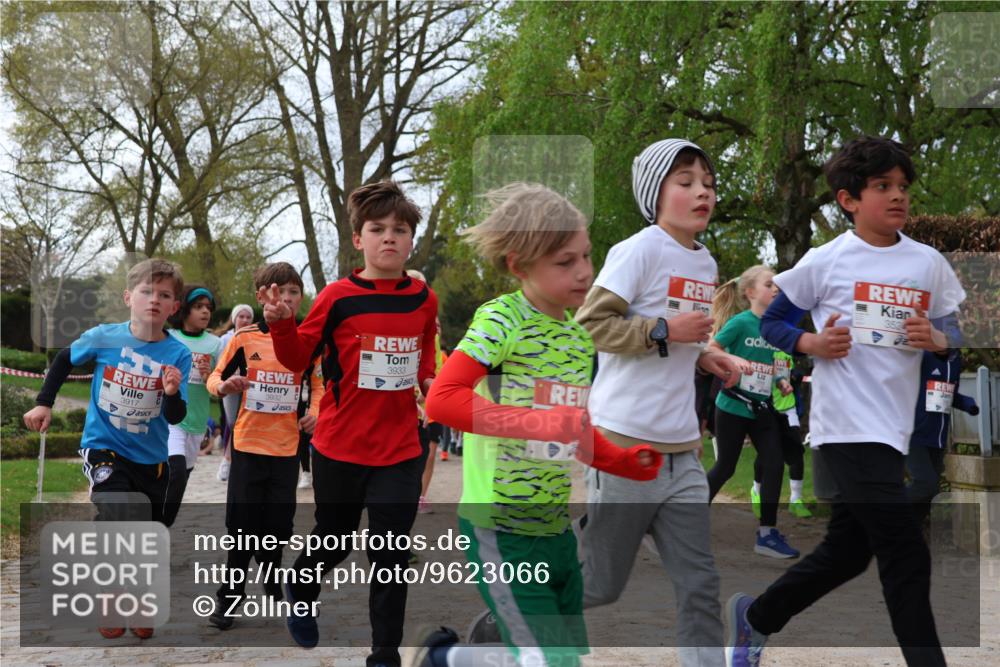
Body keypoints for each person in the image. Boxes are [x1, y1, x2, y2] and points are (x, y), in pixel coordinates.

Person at [728, 136, 965, 667]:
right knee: (905, 555)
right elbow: (774, 321)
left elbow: (954, 326)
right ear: (848, 199)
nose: (898, 196)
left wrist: (939, 337)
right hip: (844, 426)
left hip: (894, 427)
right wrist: (811, 343)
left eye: (903, 186)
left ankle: (757, 617)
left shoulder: (927, 263)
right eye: (883, 186)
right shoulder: (827, 260)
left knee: (848, 553)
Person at [408, 182, 662, 667]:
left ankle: (446, 659)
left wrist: (623, 460)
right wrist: (535, 422)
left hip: (554, 529)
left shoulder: (578, 337)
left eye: (586, 256)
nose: (585, 271)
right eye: (565, 262)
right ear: (519, 266)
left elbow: (574, 428)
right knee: (550, 662)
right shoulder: (503, 319)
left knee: (561, 656)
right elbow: (441, 401)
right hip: (499, 529)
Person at [564, 138, 744, 667]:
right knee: (600, 586)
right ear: (655, 194)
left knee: (700, 584)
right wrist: (665, 329)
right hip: (624, 447)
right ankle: (483, 637)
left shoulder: (705, 262)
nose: (701, 192)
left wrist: (703, 354)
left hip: (683, 453)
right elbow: (591, 326)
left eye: (708, 184)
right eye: (685, 182)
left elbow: (675, 342)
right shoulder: (638, 249)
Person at [263, 180, 438, 665]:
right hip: (340, 447)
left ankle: (384, 655)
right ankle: (301, 583)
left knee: (390, 558)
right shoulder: (337, 297)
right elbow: (298, 358)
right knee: (334, 540)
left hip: (401, 449)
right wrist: (281, 322)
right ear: (358, 239)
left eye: (399, 230)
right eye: (377, 229)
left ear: (410, 240)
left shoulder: (425, 299)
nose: (389, 238)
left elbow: (425, 358)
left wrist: (430, 384)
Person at [23, 258, 191, 640]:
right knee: (120, 510)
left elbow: (177, 415)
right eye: (147, 291)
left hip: (151, 458)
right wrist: (44, 401)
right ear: (129, 296)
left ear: (173, 307)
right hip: (104, 447)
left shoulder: (177, 354)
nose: (154, 300)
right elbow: (65, 358)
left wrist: (169, 393)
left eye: (164, 295)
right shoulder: (104, 337)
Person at [204, 263, 324, 630]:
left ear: (299, 298)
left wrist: (316, 413)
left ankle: (272, 580)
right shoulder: (244, 338)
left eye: (292, 292)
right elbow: (214, 377)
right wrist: (223, 388)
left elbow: (318, 385)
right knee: (241, 527)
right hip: (247, 445)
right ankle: (230, 597)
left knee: (278, 527)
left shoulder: (307, 340)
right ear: (261, 297)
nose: (284, 299)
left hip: (286, 450)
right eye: (276, 292)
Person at [705, 265, 799, 558]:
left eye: (777, 286)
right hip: (732, 405)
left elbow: (770, 363)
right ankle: (685, 520)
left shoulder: (774, 326)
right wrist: (732, 358)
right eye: (769, 285)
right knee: (726, 468)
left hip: (761, 407)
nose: (775, 290)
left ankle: (767, 534)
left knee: (773, 463)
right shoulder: (741, 322)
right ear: (750, 293)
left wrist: (780, 380)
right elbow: (711, 348)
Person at [163, 284, 223, 526]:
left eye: (208, 307)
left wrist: (212, 378)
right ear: (185, 310)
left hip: (198, 421)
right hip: (171, 419)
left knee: (181, 478)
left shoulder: (216, 344)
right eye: (198, 307)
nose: (205, 312)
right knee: (174, 471)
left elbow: (220, 388)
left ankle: (163, 524)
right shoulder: (170, 338)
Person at [907, 350, 978, 524]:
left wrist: (968, 404)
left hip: (937, 438)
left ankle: (904, 535)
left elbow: (949, 394)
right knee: (925, 485)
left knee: (931, 494)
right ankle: (879, 508)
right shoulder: (920, 356)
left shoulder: (955, 360)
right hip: (913, 435)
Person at [749, 350, 813, 519]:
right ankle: (756, 491)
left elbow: (791, 372)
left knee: (796, 452)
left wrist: (795, 377)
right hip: (768, 409)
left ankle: (796, 500)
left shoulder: (786, 350)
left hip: (788, 408)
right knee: (767, 453)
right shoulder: (763, 347)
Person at [215, 303, 254, 482]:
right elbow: (219, 366)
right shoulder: (225, 339)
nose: (245, 320)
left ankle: (230, 461)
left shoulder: (255, 338)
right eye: (241, 317)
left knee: (243, 424)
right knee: (232, 422)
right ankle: (228, 459)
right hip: (229, 388)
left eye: (248, 317)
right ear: (234, 319)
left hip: (249, 387)